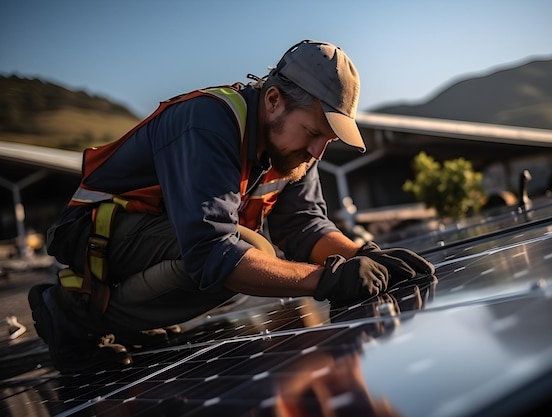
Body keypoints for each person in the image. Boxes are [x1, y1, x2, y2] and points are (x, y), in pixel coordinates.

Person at [28, 40, 435, 374]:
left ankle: (126, 321)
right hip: (96, 235)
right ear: (273, 100)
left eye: (327, 139)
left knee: (263, 265)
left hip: (155, 237)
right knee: (254, 260)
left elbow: (305, 225)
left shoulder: (293, 151)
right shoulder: (209, 122)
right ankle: (74, 316)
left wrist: (366, 257)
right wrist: (328, 281)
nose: (317, 151)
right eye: (313, 132)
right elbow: (211, 253)